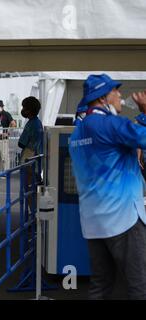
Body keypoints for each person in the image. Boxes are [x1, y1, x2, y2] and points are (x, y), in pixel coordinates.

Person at [69, 73, 146, 300]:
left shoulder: (78, 132)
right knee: (139, 286)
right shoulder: (110, 124)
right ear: (103, 97)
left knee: (101, 286)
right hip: (124, 218)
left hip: (93, 222)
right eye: (116, 91)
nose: (120, 95)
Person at [0, 100, 17, 172]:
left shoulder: (6, 114)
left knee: (4, 156)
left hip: (3, 138)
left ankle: (6, 172)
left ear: (2, 107)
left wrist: (8, 132)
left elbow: (13, 124)